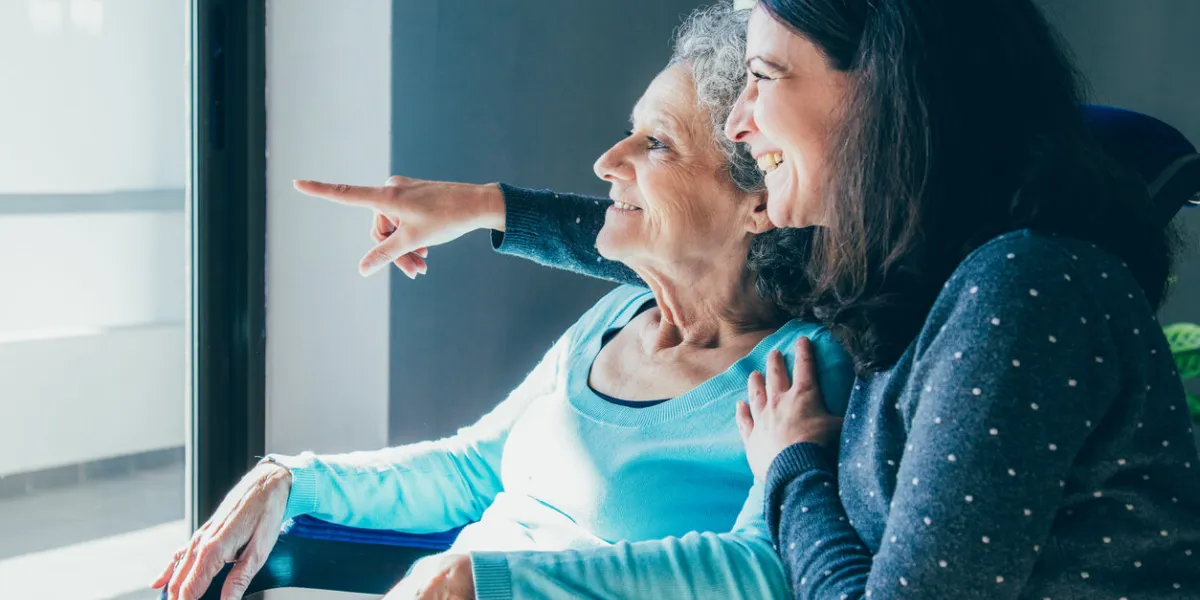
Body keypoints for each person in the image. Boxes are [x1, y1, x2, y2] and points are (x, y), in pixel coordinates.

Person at [298, 1, 1200, 598]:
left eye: (764, 78)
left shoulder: (1018, 292)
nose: (739, 122)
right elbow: (705, 250)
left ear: (886, 88)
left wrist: (793, 468)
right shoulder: (907, 287)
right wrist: (485, 209)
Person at [154, 6, 856, 600]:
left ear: (757, 202)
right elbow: (470, 469)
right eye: (630, 130)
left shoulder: (801, 370)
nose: (608, 162)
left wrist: (487, 580)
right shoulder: (613, 321)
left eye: (657, 144)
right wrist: (293, 476)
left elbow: (761, 567)